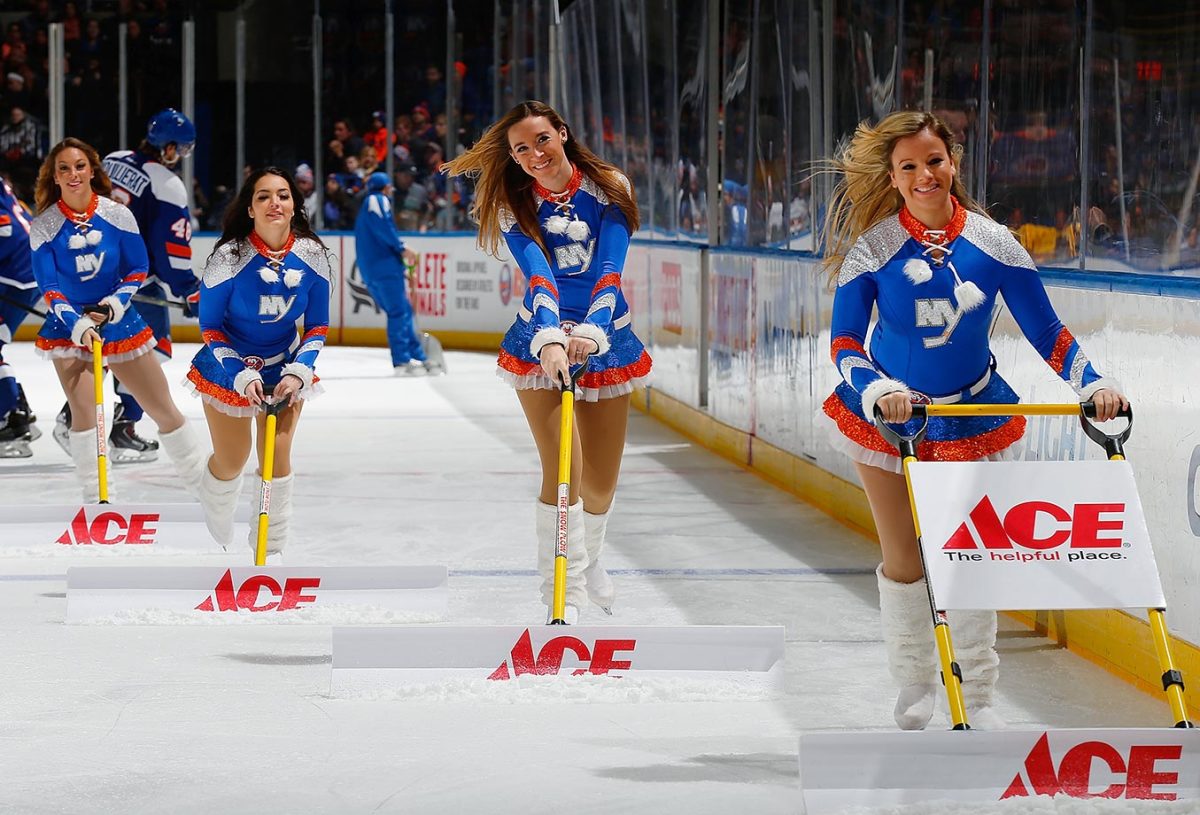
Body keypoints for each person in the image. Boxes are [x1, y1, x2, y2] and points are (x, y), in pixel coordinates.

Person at [819, 111, 1128, 731]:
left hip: (972, 418)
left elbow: (1046, 329)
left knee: (968, 559)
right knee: (905, 559)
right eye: (908, 166)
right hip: (887, 421)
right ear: (893, 176)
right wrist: (878, 388)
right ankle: (913, 680)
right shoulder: (874, 249)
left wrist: (1090, 380)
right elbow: (845, 343)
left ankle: (979, 694)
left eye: (933, 161)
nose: (923, 175)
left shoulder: (994, 244)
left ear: (953, 164)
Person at [443, 100, 652, 624]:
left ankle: (591, 558)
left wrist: (592, 330)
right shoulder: (516, 204)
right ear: (513, 159)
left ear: (562, 132)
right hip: (542, 340)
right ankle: (562, 590)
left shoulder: (610, 187)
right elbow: (539, 276)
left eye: (541, 140)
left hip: (607, 336)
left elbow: (610, 270)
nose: (534, 154)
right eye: (520, 149)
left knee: (600, 484)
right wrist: (551, 337)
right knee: (565, 468)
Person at [29, 137, 207, 503]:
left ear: (93, 170)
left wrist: (112, 306)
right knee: (84, 413)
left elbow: (137, 268)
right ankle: (96, 500)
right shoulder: (44, 226)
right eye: (64, 168)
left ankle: (206, 489)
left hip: (120, 319)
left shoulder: (117, 214)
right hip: (69, 327)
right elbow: (49, 286)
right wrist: (77, 323)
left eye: (80, 166)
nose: (73, 173)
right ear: (55, 177)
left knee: (162, 409)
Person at [185, 167, 331, 561]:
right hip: (227, 366)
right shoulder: (227, 259)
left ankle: (272, 548)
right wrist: (241, 373)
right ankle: (215, 503)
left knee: (275, 455)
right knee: (232, 459)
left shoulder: (313, 257)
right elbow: (211, 328)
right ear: (250, 208)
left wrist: (299, 371)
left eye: (283, 195)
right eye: (263, 196)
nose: (274, 203)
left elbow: (317, 324)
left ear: (295, 205)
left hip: (284, 369)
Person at [53, 108, 199, 463]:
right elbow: (170, 248)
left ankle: (75, 417)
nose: (179, 157)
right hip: (131, 283)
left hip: (89, 269)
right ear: (166, 148)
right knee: (149, 348)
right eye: (178, 149)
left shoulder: (115, 159)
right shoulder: (166, 184)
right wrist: (188, 288)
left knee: (102, 346)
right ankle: (120, 427)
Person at [353, 171, 430, 375]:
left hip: (373, 268)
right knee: (399, 311)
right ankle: (402, 361)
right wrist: (401, 247)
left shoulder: (366, 205)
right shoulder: (377, 200)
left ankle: (418, 355)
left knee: (402, 310)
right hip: (384, 267)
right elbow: (384, 228)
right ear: (385, 187)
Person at [0, 174, 40, 456]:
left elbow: (4, 228)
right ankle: (16, 408)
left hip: (15, 277)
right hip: (25, 272)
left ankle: (13, 418)